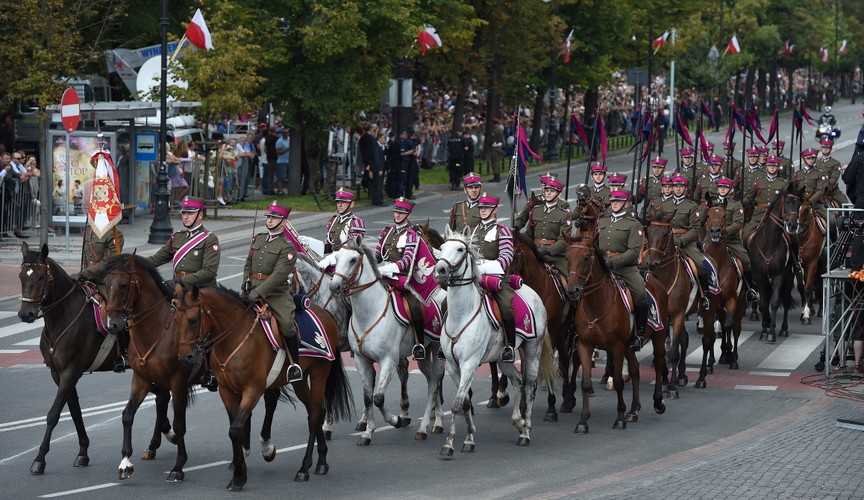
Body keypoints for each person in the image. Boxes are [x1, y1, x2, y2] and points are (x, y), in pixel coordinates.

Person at [147, 195, 221, 389]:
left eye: (190, 213)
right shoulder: (177, 237)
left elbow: (209, 271)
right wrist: (135, 264)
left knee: (209, 328)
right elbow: (157, 258)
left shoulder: (209, 239)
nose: (186, 217)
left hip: (201, 290)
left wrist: (180, 281)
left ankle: (211, 370)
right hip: (178, 290)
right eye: (184, 213)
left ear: (200, 215)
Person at [242, 201, 302, 383]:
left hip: (276, 294)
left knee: (286, 324)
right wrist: (246, 283)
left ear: (283, 222)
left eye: (274, 217)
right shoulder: (258, 239)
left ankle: (294, 365)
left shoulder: (288, 247)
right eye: (268, 216)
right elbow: (248, 264)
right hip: (252, 290)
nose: (269, 220)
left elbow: (278, 276)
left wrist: (258, 293)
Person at [375, 197, 427, 360]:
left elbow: (407, 261)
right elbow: (377, 254)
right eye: (396, 211)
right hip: (383, 274)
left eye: (402, 212)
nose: (397, 215)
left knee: (415, 306)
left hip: (402, 277)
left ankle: (419, 344)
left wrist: (388, 269)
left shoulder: (411, 235)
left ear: (408, 215)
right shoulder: (386, 231)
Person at [595, 190, 648, 350]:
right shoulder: (602, 222)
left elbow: (633, 251)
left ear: (625, 204)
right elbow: (594, 244)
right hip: (602, 264)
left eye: (618, 201)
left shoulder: (633, 224)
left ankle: (639, 333)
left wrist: (613, 262)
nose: (615, 204)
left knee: (639, 293)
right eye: (612, 201)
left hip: (625, 268)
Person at [469, 193, 519, 361]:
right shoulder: (474, 229)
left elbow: (506, 257)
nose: (483, 210)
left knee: (506, 306)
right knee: (448, 301)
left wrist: (482, 267)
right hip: (474, 279)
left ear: (495, 210)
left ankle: (510, 346)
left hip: (496, 278)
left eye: (487, 208)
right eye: (481, 208)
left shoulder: (502, 230)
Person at [78, 225, 127, 370]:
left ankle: (123, 353)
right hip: (87, 279)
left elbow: (110, 263)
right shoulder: (88, 230)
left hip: (105, 281)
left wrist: (87, 272)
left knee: (116, 311)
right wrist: (82, 275)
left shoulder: (114, 233)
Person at [661, 176, 711, 311]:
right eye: (675, 186)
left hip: (685, 241)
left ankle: (704, 296)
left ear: (685, 189)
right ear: (671, 188)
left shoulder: (692, 206)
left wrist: (682, 241)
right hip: (666, 241)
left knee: (700, 264)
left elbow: (695, 229)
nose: (678, 189)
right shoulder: (664, 205)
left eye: (681, 186)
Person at [713, 178, 758, 302]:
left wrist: (724, 232)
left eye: (725, 187)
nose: (722, 189)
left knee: (745, 259)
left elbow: (738, 223)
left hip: (730, 240)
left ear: (731, 190)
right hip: (712, 240)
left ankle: (750, 289)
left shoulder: (736, 205)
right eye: (720, 187)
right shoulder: (713, 203)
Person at [523, 177, 571, 278]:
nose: (548, 193)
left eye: (552, 191)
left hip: (555, 257)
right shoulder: (536, 210)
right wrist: (517, 237)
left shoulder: (564, 214)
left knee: (570, 284)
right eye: (547, 190)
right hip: (535, 253)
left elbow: (564, 240)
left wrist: (548, 250)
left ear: (558, 194)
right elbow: (529, 234)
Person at [742, 157, 790, 240]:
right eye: (770, 165)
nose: (772, 168)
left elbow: (787, 201)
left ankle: (794, 252)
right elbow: (749, 198)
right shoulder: (758, 182)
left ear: (778, 167)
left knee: (791, 236)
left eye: (774, 166)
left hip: (776, 215)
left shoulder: (783, 183)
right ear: (766, 167)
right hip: (759, 215)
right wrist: (740, 203)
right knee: (745, 234)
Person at [320, 187, 365, 255]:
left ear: (351, 204)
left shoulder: (356, 222)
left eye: (343, 202)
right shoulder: (332, 220)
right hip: (333, 259)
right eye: (338, 202)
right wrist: (312, 245)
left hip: (348, 262)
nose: (339, 205)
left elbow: (353, 249)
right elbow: (329, 245)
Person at [818, 139, 850, 206]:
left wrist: (825, 186)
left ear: (831, 149)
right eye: (823, 147)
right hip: (817, 188)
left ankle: (845, 216)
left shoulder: (835, 163)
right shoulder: (816, 162)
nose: (825, 149)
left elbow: (834, 178)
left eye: (827, 147)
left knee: (844, 202)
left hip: (831, 190)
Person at [275, 127, 290, 195]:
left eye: (286, 132)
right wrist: (287, 149)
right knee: (281, 177)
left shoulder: (290, 139)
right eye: (284, 133)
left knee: (287, 177)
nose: (285, 134)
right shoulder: (279, 141)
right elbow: (278, 152)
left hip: (289, 161)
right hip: (282, 161)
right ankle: (280, 190)